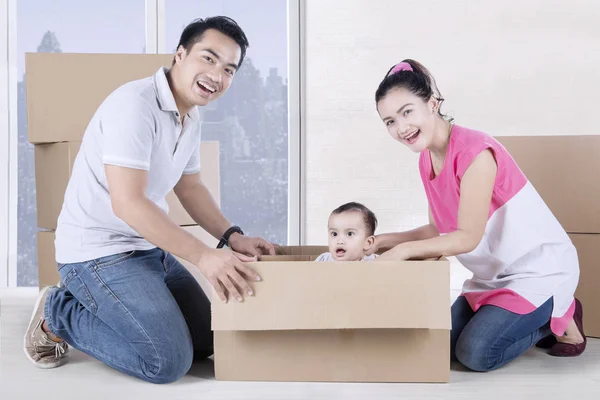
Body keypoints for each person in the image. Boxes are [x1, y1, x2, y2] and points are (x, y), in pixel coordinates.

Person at [24, 16, 275, 384]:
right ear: (180, 53)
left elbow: (190, 188)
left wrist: (231, 237)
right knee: (166, 362)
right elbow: (128, 205)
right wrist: (204, 256)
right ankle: (58, 312)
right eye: (208, 58)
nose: (217, 76)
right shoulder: (134, 105)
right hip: (96, 254)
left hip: (146, 247)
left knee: (205, 342)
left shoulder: (190, 117)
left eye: (229, 69)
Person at [372, 59, 586, 371]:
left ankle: (561, 312)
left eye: (407, 112)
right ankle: (540, 313)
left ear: (432, 104)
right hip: (492, 276)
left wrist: (403, 252)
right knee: (441, 348)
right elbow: (437, 230)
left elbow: (468, 238)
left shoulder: (475, 152)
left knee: (476, 354)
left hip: (536, 272)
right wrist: (380, 241)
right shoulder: (427, 159)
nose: (401, 127)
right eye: (389, 121)